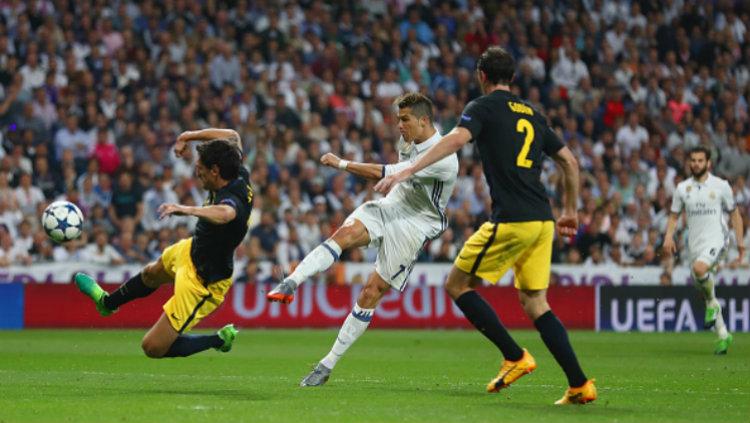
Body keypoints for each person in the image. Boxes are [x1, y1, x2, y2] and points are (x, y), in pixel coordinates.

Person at [375, 47, 596, 405]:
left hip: (513, 219)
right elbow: (569, 161)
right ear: (512, 77)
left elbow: (458, 140)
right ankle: (579, 384)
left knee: (456, 284)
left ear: (481, 75)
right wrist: (570, 210)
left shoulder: (482, 108)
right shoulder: (534, 114)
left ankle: (514, 356)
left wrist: (409, 169)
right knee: (535, 301)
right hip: (543, 221)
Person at [266, 92, 458, 386]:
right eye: (397, 120)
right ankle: (291, 281)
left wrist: (341, 163)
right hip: (392, 205)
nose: (399, 126)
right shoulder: (407, 141)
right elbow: (395, 176)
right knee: (344, 234)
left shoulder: (445, 156)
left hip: (417, 224)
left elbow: (388, 171)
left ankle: (326, 365)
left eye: (405, 120)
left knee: (371, 291)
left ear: (424, 121)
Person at [75, 128, 254, 359]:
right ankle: (107, 303)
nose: (196, 170)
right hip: (191, 250)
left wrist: (186, 209)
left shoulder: (233, 199)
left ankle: (218, 339)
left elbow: (226, 213)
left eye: (200, 166)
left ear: (215, 171)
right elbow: (232, 135)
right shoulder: (236, 168)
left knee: (153, 347)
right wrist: (186, 136)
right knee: (152, 273)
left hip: (203, 284)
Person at [663, 145, 742, 354]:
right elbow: (673, 216)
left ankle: (713, 307)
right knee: (705, 291)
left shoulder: (721, 185)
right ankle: (723, 335)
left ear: (708, 163)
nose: (695, 164)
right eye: (693, 160)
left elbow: (734, 214)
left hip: (718, 238)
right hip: (695, 245)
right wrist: (668, 236)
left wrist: (740, 243)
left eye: (700, 160)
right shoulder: (682, 189)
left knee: (700, 270)